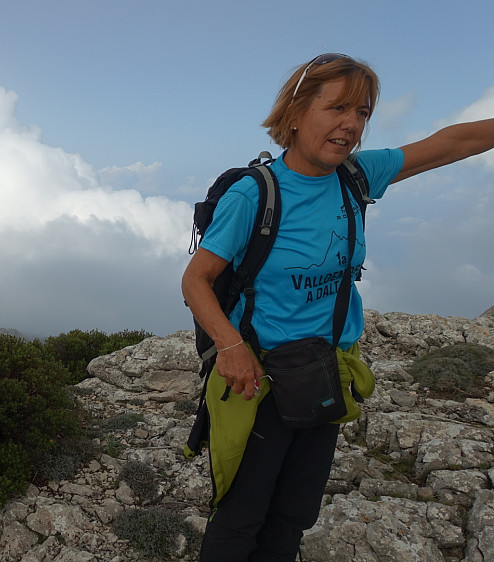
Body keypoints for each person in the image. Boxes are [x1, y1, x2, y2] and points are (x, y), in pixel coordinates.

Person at [182, 54, 494, 561]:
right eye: (337, 108)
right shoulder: (255, 195)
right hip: (256, 380)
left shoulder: (357, 177)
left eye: (363, 112)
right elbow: (197, 279)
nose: (351, 123)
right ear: (298, 112)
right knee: (241, 518)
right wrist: (231, 347)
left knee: (291, 519)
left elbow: (449, 143)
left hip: (324, 373)